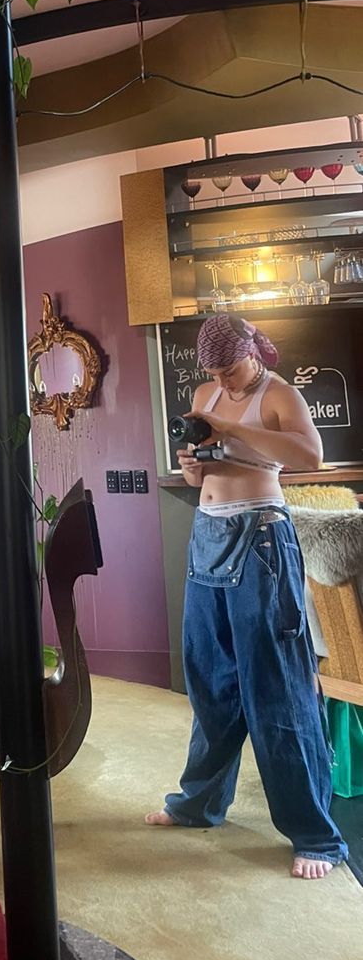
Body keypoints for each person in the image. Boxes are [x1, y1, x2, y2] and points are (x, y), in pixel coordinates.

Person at [146, 312, 348, 879]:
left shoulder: (278, 393)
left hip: (261, 538)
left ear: (252, 354)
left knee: (277, 687)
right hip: (207, 536)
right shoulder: (205, 393)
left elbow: (309, 456)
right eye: (213, 372)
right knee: (210, 683)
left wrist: (229, 429)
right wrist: (192, 464)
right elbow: (198, 479)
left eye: (230, 370)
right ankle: (199, 803)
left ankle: (316, 836)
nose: (222, 382)